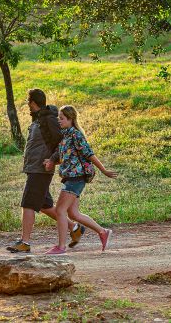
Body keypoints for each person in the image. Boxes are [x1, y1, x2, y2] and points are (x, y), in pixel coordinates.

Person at [6, 89, 85, 253]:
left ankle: (25, 243)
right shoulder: (39, 119)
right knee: (44, 205)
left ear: (33, 102)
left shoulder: (48, 119)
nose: (27, 105)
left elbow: (62, 142)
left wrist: (53, 160)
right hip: (34, 168)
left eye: (28, 102)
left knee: (28, 204)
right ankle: (74, 228)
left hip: (40, 170)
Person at [43, 105, 118, 255]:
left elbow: (89, 154)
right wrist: (52, 162)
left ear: (70, 119)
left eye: (62, 118)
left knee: (60, 210)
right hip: (69, 177)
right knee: (73, 214)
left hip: (76, 178)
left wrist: (104, 170)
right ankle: (103, 232)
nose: (59, 121)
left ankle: (61, 247)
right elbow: (66, 157)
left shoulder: (76, 135)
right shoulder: (65, 136)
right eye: (58, 118)